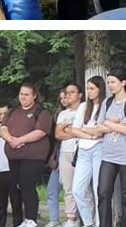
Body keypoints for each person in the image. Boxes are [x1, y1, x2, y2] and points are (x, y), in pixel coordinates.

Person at [0, 84, 54, 227]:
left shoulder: (42, 112)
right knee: (15, 188)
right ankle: (18, 221)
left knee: (27, 185)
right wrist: (10, 139)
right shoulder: (11, 112)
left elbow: (41, 132)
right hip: (13, 156)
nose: (23, 97)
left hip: (33, 157)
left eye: (27, 94)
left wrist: (20, 140)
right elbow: (3, 128)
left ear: (34, 95)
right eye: (21, 94)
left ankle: (31, 220)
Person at [94, 70, 126, 227]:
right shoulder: (107, 102)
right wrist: (114, 125)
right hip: (108, 155)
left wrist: (108, 124)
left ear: (123, 83)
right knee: (103, 192)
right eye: (108, 82)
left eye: (113, 82)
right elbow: (99, 126)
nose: (110, 85)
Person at [69, 76, 106, 227]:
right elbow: (74, 129)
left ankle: (98, 223)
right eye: (88, 88)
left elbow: (101, 131)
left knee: (98, 190)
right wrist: (90, 133)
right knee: (77, 189)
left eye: (92, 88)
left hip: (99, 148)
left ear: (100, 89)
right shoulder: (84, 106)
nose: (89, 91)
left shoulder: (105, 104)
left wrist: (86, 130)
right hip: (84, 149)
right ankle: (88, 222)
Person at [48, 84, 82, 227]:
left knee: (82, 188)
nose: (68, 95)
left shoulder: (85, 109)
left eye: (71, 92)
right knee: (68, 188)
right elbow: (57, 134)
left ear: (80, 94)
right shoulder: (63, 114)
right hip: (65, 153)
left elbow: (84, 130)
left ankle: (87, 218)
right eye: (66, 93)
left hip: (80, 152)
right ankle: (71, 219)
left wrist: (67, 130)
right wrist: (74, 132)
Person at [0, 104, 23, 227]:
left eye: (5, 113)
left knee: (17, 204)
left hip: (13, 170)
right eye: (1, 113)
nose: (3, 116)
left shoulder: (18, 128)